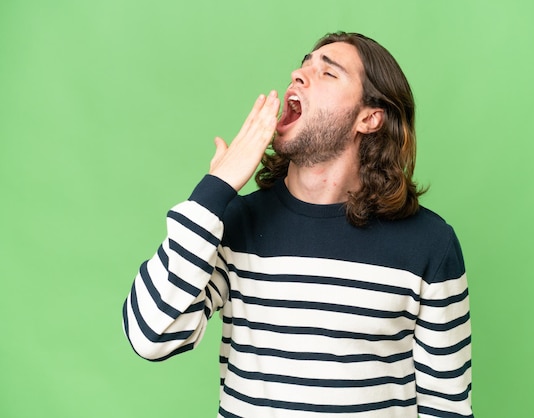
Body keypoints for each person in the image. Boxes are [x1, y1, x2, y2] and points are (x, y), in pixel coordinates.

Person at [122, 32, 473, 418]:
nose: (299, 74)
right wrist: (214, 190)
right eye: (304, 64)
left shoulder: (429, 244)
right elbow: (150, 335)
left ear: (369, 118)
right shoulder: (232, 224)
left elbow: (447, 408)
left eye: (328, 72)